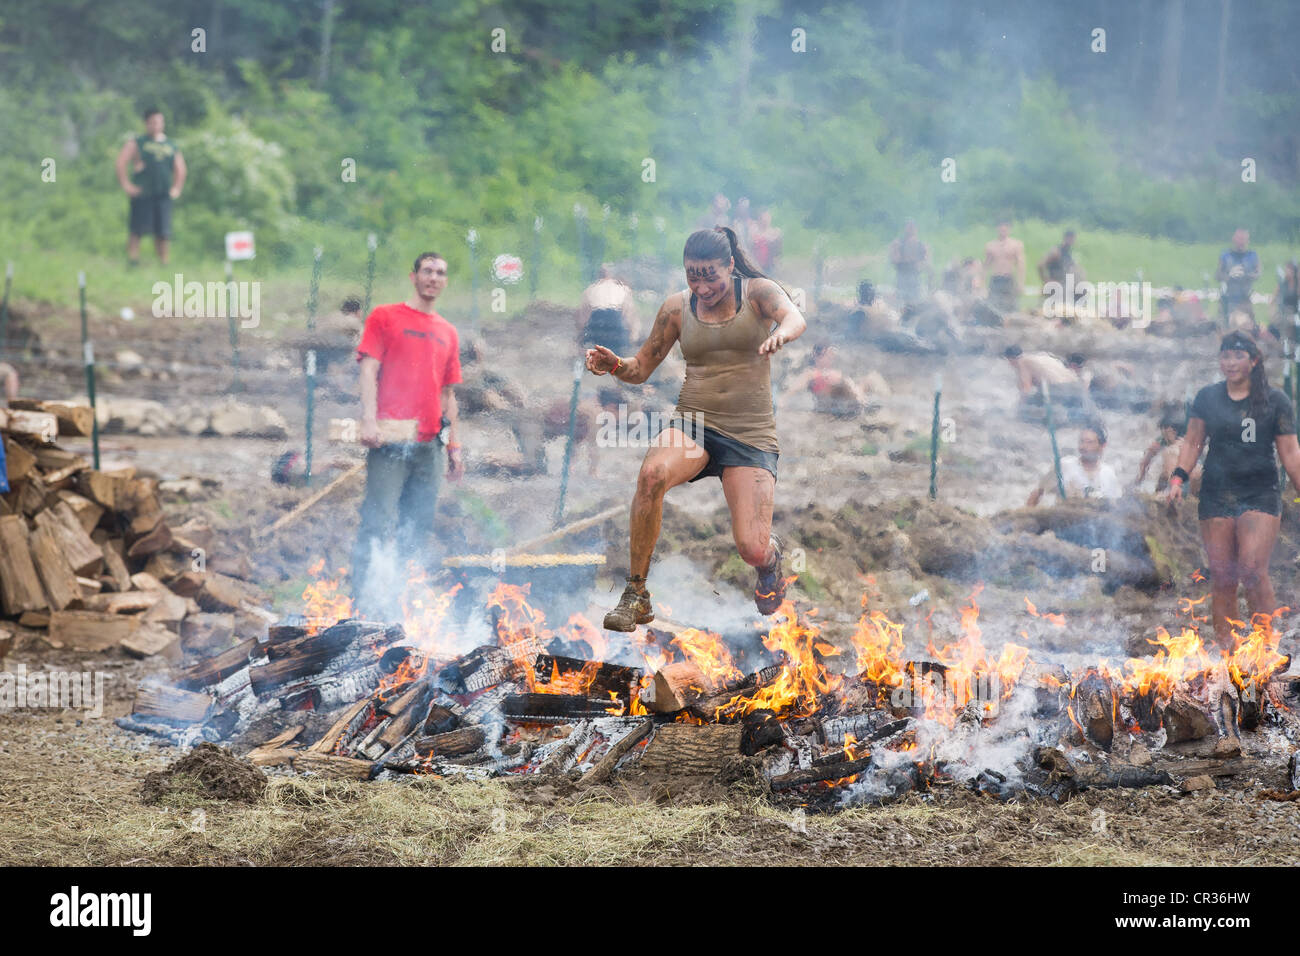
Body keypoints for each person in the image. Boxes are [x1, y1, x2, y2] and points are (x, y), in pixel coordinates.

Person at [585, 227, 806, 630]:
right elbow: (642, 367)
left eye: (710, 276)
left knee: (751, 547)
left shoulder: (757, 292)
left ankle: (771, 560)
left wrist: (780, 336)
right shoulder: (676, 308)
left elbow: (794, 317)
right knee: (651, 475)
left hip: (749, 433)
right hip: (694, 423)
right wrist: (614, 364)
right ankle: (636, 593)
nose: (702, 286)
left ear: (731, 266)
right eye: (692, 275)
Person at [1167, 331, 1300, 649]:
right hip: (1217, 491)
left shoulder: (1274, 400)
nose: (1231, 363)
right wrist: (1178, 477)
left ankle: (1264, 650)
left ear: (1254, 361)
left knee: (1253, 570)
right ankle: (1228, 654)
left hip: (1260, 492)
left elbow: (1291, 452)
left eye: (1238, 356)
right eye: (1226, 356)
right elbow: (1193, 441)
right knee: (1223, 575)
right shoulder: (1208, 397)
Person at [350, 252, 464, 616]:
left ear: (445, 282)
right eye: (427, 271)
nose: (433, 277)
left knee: (417, 526)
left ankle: (401, 602)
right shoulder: (385, 317)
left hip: (429, 445)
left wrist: (454, 446)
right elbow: (369, 370)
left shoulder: (448, 332)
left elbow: (448, 394)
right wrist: (369, 420)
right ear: (413, 276)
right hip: (390, 438)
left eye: (440, 273)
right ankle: (362, 605)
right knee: (377, 520)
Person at [115, 108, 187, 266]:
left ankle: (164, 263)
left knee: (163, 232)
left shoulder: (171, 145)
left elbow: (180, 169)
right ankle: (133, 261)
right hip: (142, 193)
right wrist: (127, 185)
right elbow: (121, 163)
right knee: (137, 230)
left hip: (162, 194)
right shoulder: (137, 142)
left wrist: (176, 188)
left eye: (159, 121)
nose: (156, 125)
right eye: (153, 122)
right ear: (146, 123)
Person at [1026, 422, 1121, 505]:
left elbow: (1114, 507)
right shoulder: (1064, 465)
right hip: (1065, 521)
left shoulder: (1108, 473)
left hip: (1095, 523)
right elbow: (1038, 492)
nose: (1084, 446)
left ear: (1102, 446)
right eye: (1081, 441)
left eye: (1089, 442)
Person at [784, 344, 874, 418]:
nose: (831, 358)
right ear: (817, 356)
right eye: (828, 355)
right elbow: (793, 389)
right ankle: (862, 401)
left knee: (871, 378)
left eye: (831, 356)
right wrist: (784, 399)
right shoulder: (811, 373)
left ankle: (864, 401)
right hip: (834, 404)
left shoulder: (834, 371)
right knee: (844, 381)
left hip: (850, 400)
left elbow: (850, 384)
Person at [577, 265, 638, 358]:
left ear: (599, 275)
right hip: (614, 329)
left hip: (597, 329)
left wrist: (581, 336)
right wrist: (633, 335)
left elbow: (583, 317)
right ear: (613, 275)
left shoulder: (591, 289)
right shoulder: (623, 289)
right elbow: (629, 315)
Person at [1136, 409, 1200, 493]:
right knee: (1163, 475)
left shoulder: (1177, 445)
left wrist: (1140, 477)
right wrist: (1140, 477)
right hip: (1186, 476)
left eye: (1173, 429)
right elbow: (1146, 460)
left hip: (1188, 477)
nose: (1171, 431)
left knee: (1166, 468)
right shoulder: (1162, 441)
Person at [1215, 228, 1260, 328]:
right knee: (1224, 326)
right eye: (1239, 238)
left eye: (1244, 239)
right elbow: (1218, 275)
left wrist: (1245, 275)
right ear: (1234, 239)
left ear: (1248, 241)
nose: (1241, 242)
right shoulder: (1225, 256)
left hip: (1245, 299)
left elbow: (1257, 274)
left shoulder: (1252, 256)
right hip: (1228, 299)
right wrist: (1230, 275)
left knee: (1249, 326)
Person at [983, 221, 1025, 313]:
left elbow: (1020, 265)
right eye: (1001, 228)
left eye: (1005, 228)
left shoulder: (1016, 245)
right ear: (997, 229)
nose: (1003, 230)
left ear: (1009, 229)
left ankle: (1012, 324)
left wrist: (1020, 283)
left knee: (1012, 306)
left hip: (1008, 278)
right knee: (992, 306)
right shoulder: (990, 246)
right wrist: (983, 284)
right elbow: (986, 266)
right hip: (995, 279)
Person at [889, 220, 929, 307]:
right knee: (900, 304)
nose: (911, 230)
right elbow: (894, 260)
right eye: (909, 227)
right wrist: (907, 260)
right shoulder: (898, 244)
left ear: (916, 229)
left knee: (917, 303)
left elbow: (925, 262)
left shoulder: (921, 245)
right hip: (902, 279)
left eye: (912, 227)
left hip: (915, 280)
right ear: (905, 229)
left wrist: (919, 264)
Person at [750, 208, 782, 272]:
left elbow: (778, 252)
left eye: (767, 218)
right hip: (756, 266)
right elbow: (750, 247)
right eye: (763, 218)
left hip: (770, 266)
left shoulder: (774, 232)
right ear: (759, 219)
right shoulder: (754, 230)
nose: (765, 220)